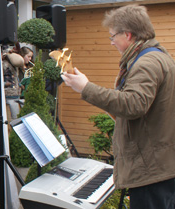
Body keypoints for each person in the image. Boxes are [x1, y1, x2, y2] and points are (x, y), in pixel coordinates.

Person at [61, 5, 175, 209]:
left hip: (152, 170)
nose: (111, 42)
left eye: (113, 36)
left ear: (128, 35)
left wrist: (86, 88)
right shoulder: (157, 56)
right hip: (158, 165)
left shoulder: (147, 62)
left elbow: (134, 105)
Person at [2, 52, 25, 120]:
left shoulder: (14, 66)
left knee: (17, 111)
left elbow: (15, 77)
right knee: (14, 113)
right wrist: (5, 84)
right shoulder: (4, 65)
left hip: (16, 93)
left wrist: (19, 85)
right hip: (8, 94)